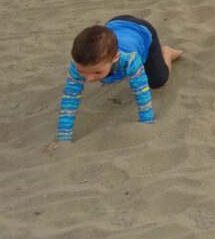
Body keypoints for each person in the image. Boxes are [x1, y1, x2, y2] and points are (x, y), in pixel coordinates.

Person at [52, 16, 183, 145]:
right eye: (82, 72)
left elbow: (141, 91)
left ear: (115, 58)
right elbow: (70, 98)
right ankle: (109, 72)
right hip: (114, 26)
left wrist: (146, 121)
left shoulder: (130, 60)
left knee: (158, 81)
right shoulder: (78, 65)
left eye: (96, 72)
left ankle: (167, 53)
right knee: (103, 66)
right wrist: (63, 137)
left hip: (143, 32)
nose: (89, 78)